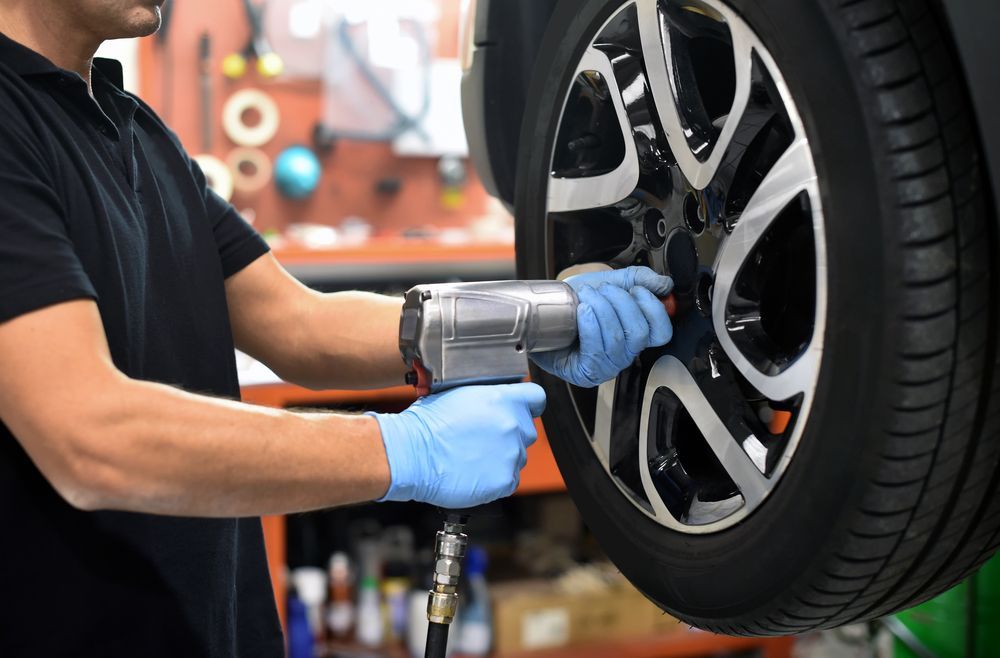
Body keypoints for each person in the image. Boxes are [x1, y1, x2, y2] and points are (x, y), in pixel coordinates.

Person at [0, 1, 674, 656]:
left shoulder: (134, 130)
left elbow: (298, 323)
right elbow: (88, 435)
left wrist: (534, 322)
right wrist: (402, 451)